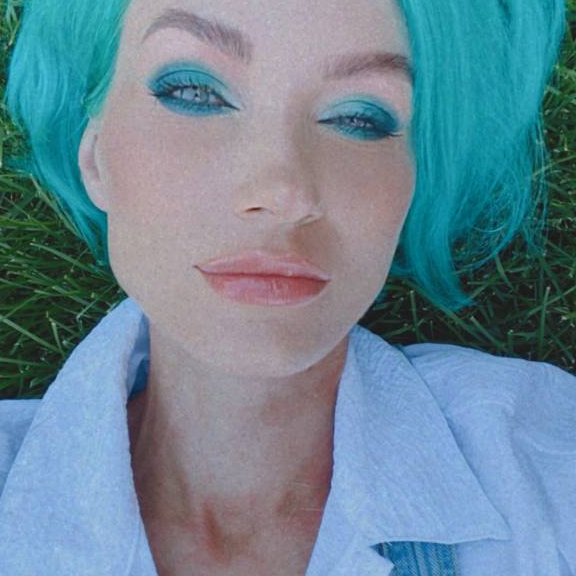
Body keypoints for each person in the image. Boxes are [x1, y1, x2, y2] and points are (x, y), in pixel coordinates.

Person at [0, 0, 573, 575]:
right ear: (95, 157)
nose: (283, 192)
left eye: (359, 118)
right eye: (195, 92)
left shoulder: (543, 466)